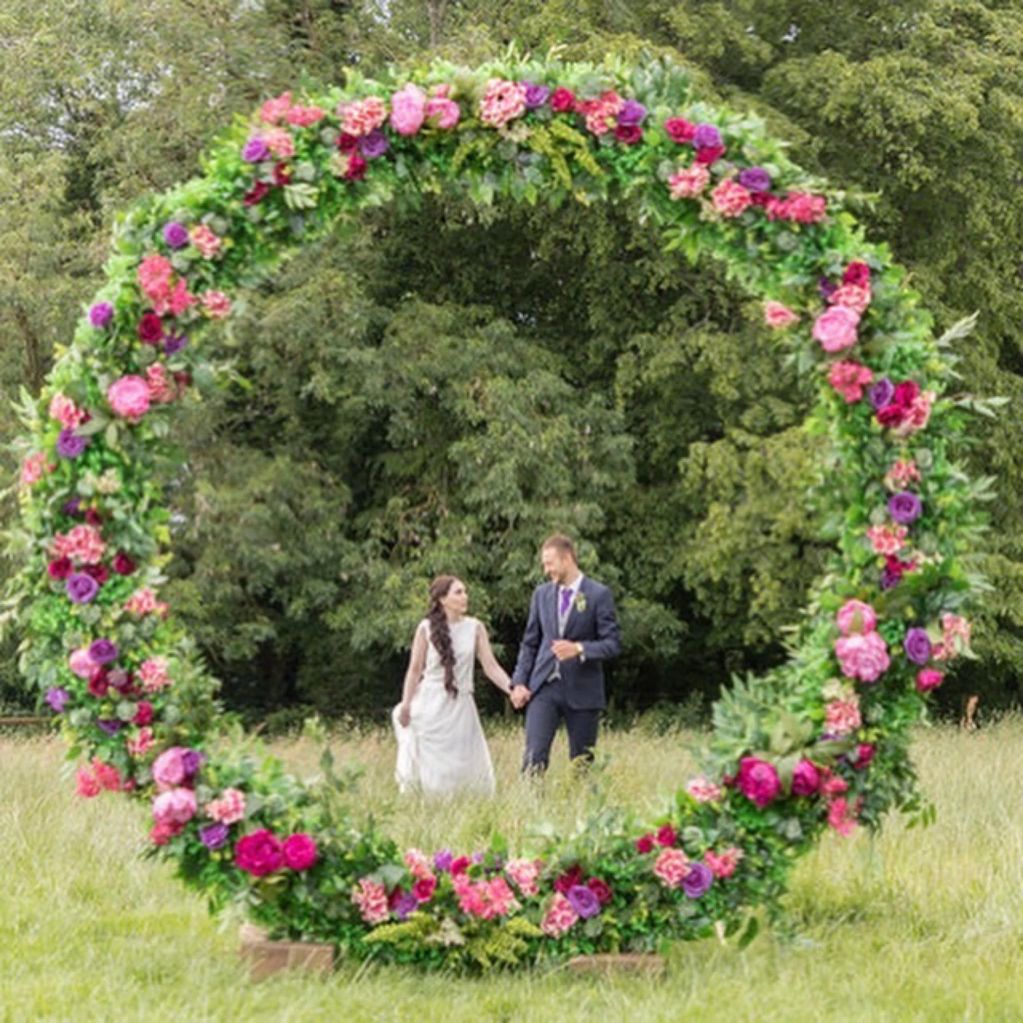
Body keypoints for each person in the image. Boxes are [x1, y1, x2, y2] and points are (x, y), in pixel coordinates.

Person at [393, 575, 514, 797]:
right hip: (432, 702)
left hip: (461, 703)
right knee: (433, 763)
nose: (465, 597)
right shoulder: (426, 628)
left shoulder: (475, 627)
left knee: (464, 760)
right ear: (442, 599)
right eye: (458, 592)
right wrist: (407, 703)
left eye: (465, 591)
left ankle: (465, 806)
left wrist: (512, 689)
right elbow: (414, 669)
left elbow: (491, 666)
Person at [510, 534, 621, 773]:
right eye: (544, 564)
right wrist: (519, 682)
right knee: (533, 757)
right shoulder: (541, 594)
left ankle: (581, 807)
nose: (545, 569)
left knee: (582, 763)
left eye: (549, 563)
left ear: (567, 558)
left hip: (583, 689)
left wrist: (580, 648)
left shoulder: (598, 594)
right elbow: (530, 643)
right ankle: (529, 806)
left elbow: (612, 644)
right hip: (544, 687)